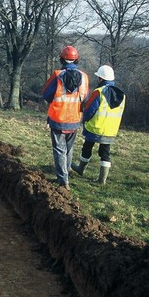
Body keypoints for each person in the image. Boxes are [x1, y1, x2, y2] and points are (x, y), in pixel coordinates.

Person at [42, 45, 90, 189]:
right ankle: (66, 173)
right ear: (76, 60)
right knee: (69, 149)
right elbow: (86, 97)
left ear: (62, 59)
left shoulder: (57, 76)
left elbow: (46, 94)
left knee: (59, 149)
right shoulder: (84, 77)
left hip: (58, 119)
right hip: (74, 119)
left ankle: (63, 180)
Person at [72, 65, 126, 184]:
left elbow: (89, 110)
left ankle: (80, 168)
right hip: (111, 130)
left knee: (87, 148)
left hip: (95, 128)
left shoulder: (98, 92)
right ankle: (102, 180)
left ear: (100, 79)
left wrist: (84, 120)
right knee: (105, 153)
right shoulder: (122, 95)